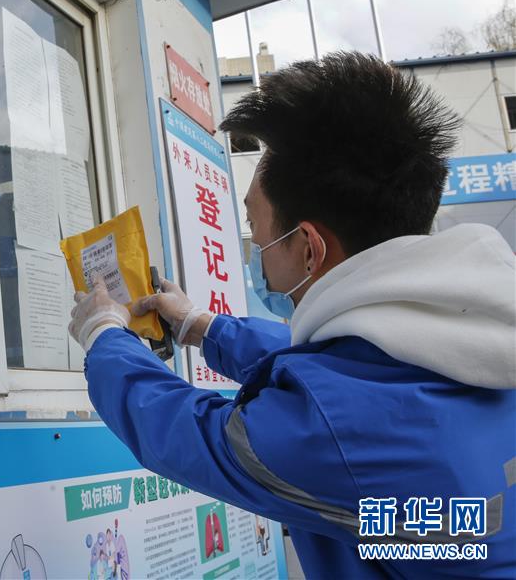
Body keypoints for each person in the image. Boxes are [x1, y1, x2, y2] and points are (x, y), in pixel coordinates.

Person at [69, 52, 515, 578]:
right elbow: (351, 376)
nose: (254, 242)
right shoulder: (474, 334)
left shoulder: (338, 433)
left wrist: (105, 334)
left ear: (308, 249)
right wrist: (202, 327)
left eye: (255, 224)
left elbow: (191, 436)